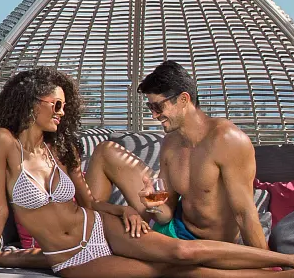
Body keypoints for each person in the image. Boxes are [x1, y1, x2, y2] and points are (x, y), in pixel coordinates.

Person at [0, 67, 294, 278]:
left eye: (64, 105)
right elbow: (2, 210)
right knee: (178, 268)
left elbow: (87, 204)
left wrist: (122, 213)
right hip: (76, 254)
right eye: (54, 104)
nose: (61, 113)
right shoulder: (4, 143)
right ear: (31, 103)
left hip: (105, 227)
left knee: (184, 256)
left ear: (183, 100)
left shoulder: (53, 148)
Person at [85, 61, 268, 247]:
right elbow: (166, 214)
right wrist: (153, 204)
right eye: (151, 108)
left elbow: (245, 214)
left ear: (183, 100)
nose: (154, 116)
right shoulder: (171, 143)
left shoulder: (228, 140)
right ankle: (87, 240)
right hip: (174, 230)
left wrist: (269, 264)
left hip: (210, 245)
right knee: (105, 150)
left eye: (158, 107)